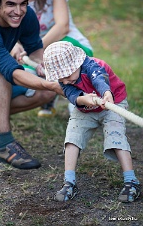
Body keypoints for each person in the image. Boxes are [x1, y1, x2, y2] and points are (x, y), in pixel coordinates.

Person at [43, 41, 141, 203]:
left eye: (67, 75)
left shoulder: (93, 65)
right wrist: (84, 99)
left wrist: (106, 93)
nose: (65, 81)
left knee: (115, 137)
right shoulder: (65, 81)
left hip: (113, 104)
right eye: (61, 78)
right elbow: (72, 95)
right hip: (85, 109)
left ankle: (131, 182)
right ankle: (69, 182)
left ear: (77, 63)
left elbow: (99, 79)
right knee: (72, 138)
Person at [0, 0, 63, 170]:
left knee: (45, 93)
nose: (18, 12)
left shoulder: (27, 17)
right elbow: (9, 70)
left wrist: (47, 72)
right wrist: (51, 85)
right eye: (10, 4)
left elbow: (35, 52)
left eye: (23, 4)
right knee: (2, 70)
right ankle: (4, 145)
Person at [11, 0, 93, 117]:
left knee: (61, 58)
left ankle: (79, 105)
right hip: (31, 53)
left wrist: (35, 49)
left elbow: (62, 27)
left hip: (68, 43)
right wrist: (13, 45)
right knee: (24, 76)